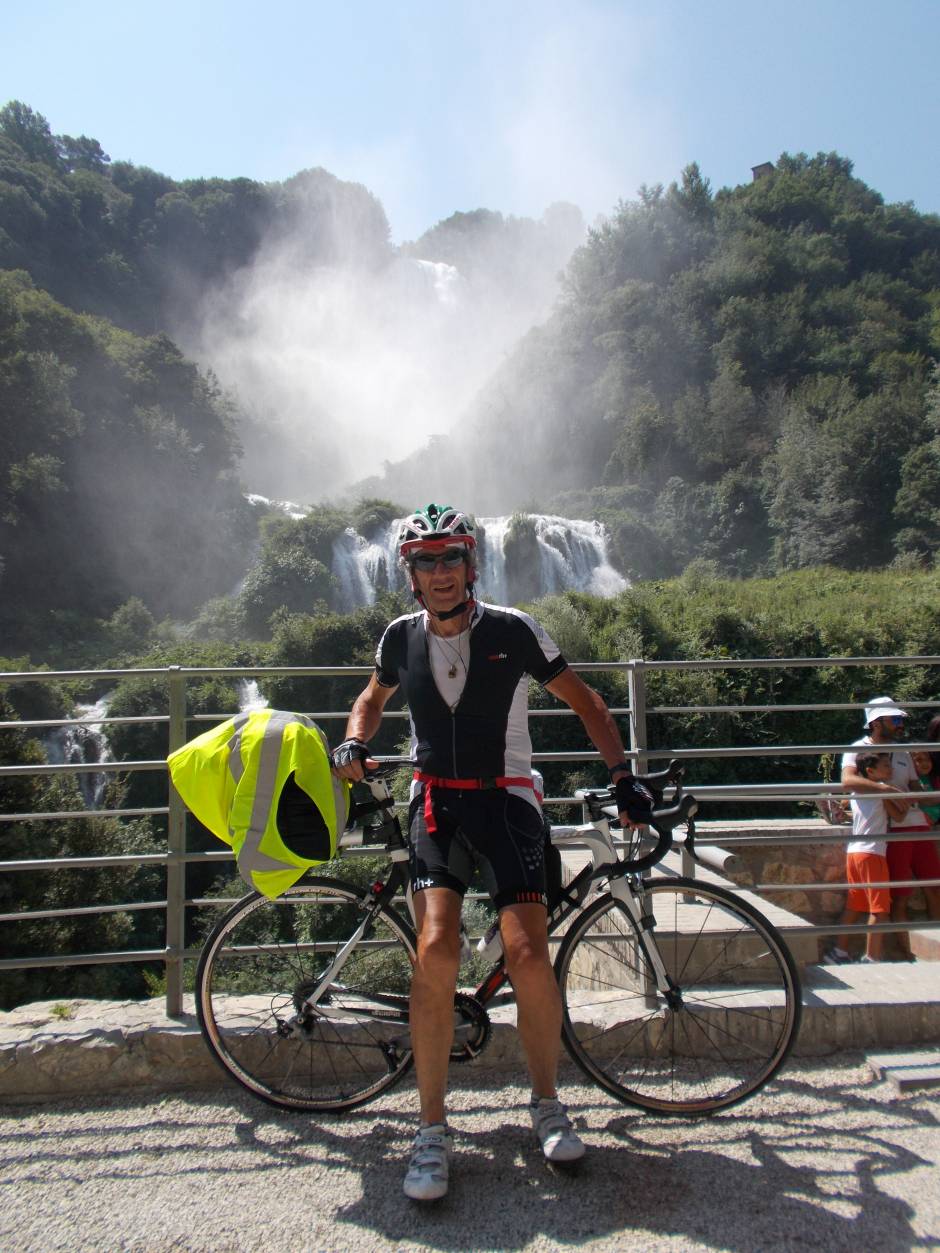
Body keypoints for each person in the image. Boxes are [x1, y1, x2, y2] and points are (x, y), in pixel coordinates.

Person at [330, 503, 654, 1202]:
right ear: (410, 573)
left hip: (507, 800)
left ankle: (546, 1102)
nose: (441, 573)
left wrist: (623, 775)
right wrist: (355, 739)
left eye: (451, 559)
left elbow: (587, 702)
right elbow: (370, 698)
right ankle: (431, 1130)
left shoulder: (515, 630)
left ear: (470, 565)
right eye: (427, 561)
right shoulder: (398, 636)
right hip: (437, 802)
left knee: (530, 955)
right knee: (437, 948)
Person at [841, 696, 940, 960]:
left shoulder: (903, 752)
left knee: (934, 887)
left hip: (913, 826)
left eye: (900, 719)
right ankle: (901, 953)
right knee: (896, 898)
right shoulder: (857, 749)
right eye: (895, 719)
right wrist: (883, 789)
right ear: (875, 722)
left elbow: (915, 788)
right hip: (886, 834)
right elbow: (848, 780)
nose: (900, 724)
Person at [824, 753, 905, 964]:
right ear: (870, 771)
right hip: (872, 852)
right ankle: (872, 957)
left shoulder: (856, 790)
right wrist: (899, 795)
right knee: (879, 909)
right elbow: (900, 815)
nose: (891, 770)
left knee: (855, 905)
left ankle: (839, 952)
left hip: (855, 852)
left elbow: (850, 808)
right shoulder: (880, 790)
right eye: (886, 766)